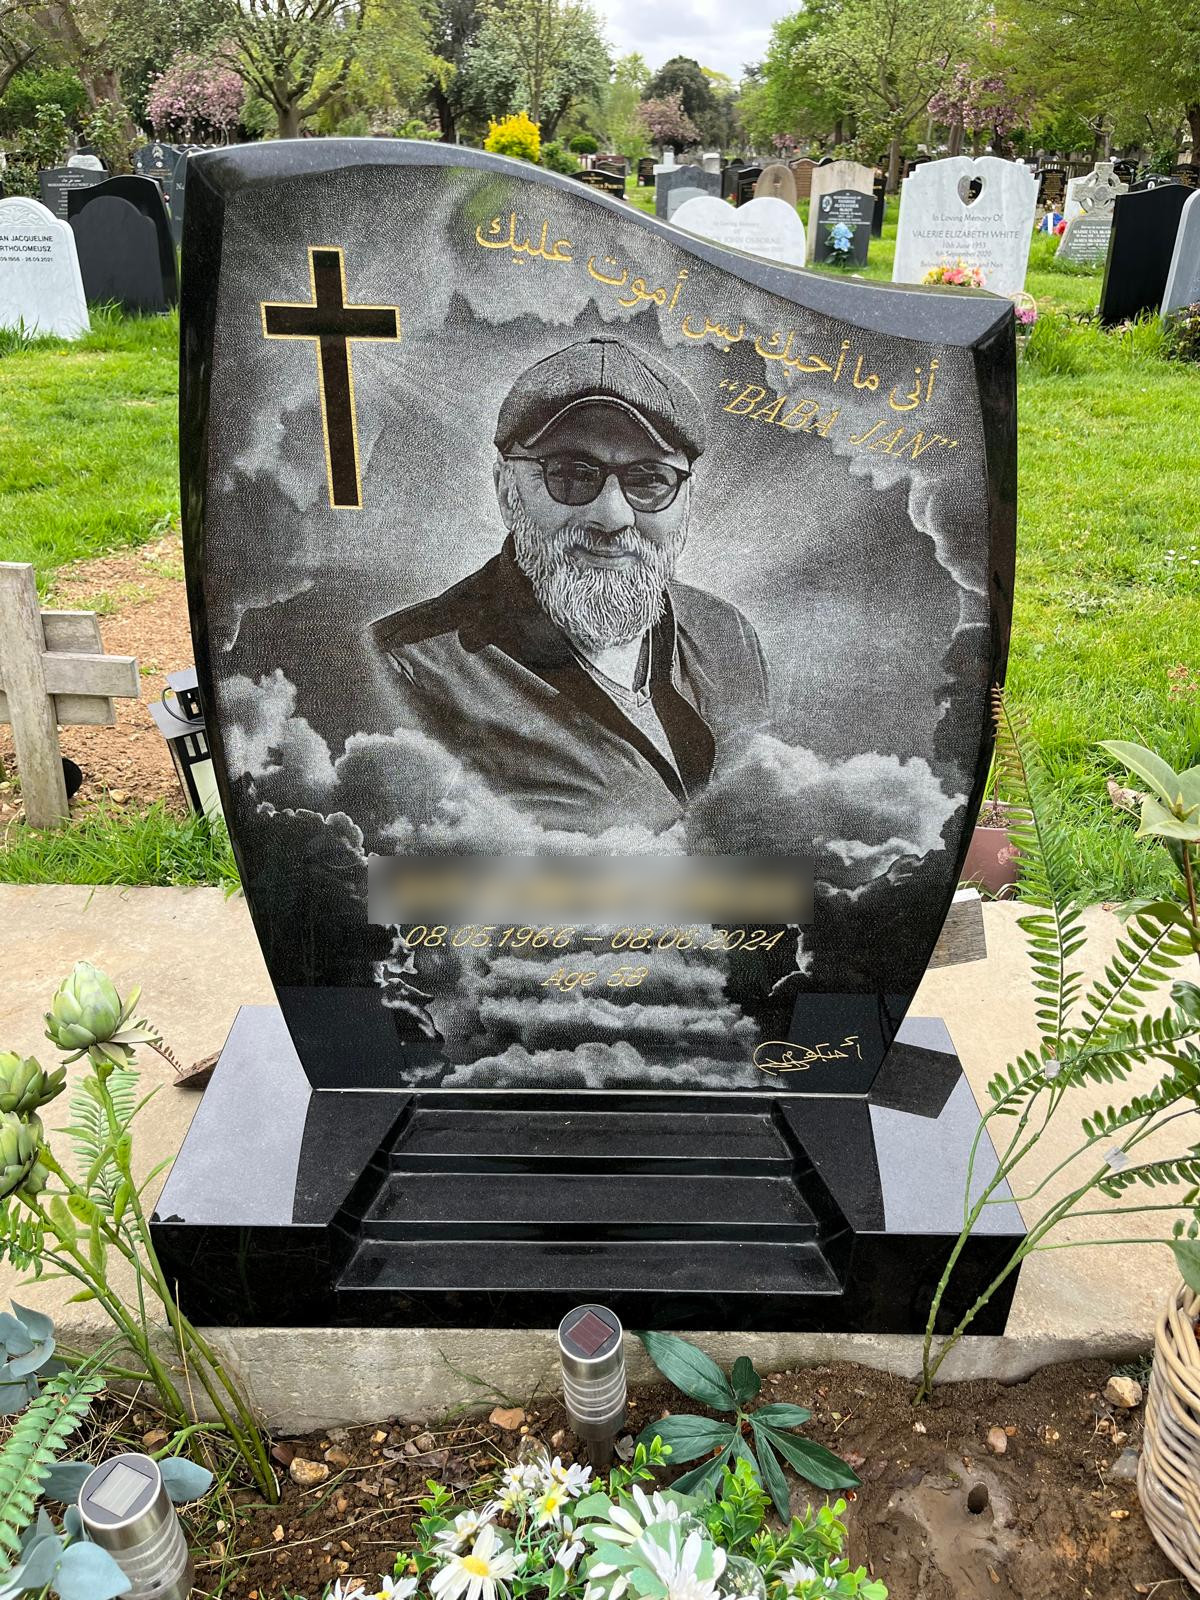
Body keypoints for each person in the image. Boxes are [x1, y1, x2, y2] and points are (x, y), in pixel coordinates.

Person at [370, 334, 770, 834]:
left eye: (649, 480)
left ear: (686, 497)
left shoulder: (726, 634)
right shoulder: (407, 667)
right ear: (504, 489)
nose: (612, 516)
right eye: (573, 475)